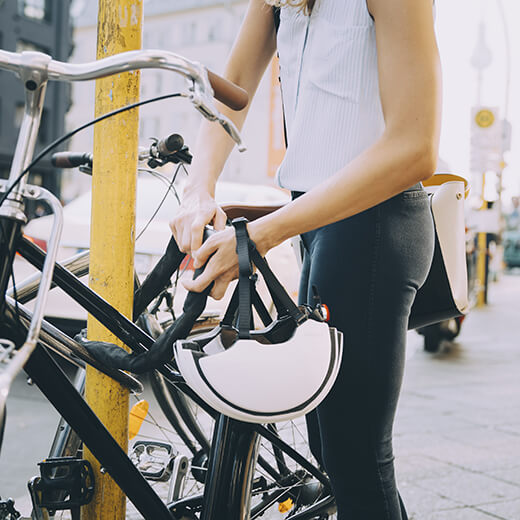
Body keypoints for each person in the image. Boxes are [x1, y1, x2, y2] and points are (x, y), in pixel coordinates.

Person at [170, 0, 440, 518]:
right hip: (316, 223)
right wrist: (198, 189)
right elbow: (229, 91)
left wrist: (262, 236)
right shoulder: (279, 3)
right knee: (332, 448)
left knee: (355, 453)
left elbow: (415, 145)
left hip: (376, 223)